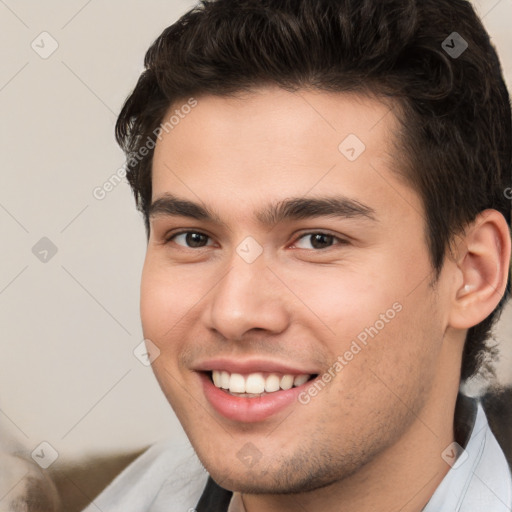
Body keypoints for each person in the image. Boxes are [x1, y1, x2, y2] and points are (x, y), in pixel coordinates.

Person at [83, 0, 512, 510]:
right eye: (193, 238)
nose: (234, 313)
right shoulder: (135, 497)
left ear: (472, 272)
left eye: (317, 240)